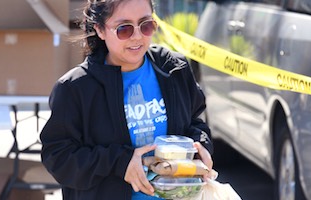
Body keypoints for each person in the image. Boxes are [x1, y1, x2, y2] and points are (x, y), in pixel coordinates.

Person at [40, 0, 214, 199]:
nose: (137, 36)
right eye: (124, 29)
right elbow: (59, 158)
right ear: (100, 30)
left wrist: (202, 147)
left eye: (146, 25)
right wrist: (121, 163)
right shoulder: (75, 88)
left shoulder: (174, 68)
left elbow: (196, 123)